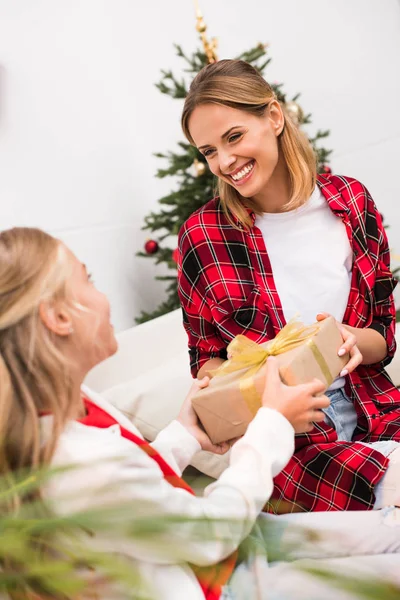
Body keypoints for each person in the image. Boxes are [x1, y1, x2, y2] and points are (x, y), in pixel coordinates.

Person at [2, 227, 400, 600]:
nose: (101, 297)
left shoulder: (73, 407)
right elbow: (209, 533)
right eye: (87, 280)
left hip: (237, 547)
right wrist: (272, 424)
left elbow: (133, 493)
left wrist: (184, 436)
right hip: (218, 580)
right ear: (58, 318)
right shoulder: (79, 462)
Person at [178, 59, 400, 513]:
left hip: (374, 403)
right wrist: (256, 388)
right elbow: (206, 362)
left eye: (233, 137)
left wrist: (350, 338)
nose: (224, 162)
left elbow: (383, 338)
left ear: (274, 117)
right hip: (288, 437)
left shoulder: (351, 203)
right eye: (208, 151)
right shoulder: (202, 236)